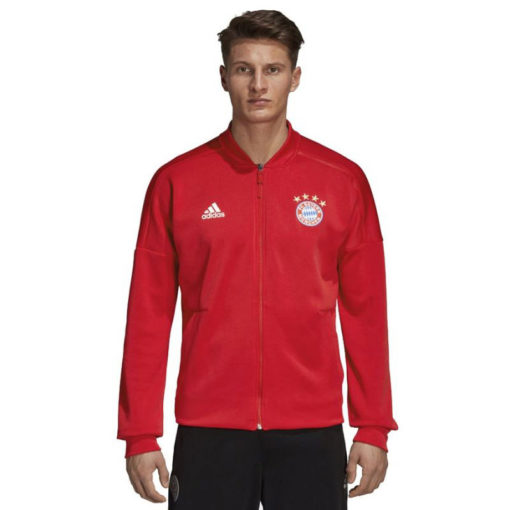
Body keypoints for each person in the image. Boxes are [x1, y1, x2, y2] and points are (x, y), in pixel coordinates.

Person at [117, 9, 398, 509]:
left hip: (313, 430)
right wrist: (140, 433)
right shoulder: (176, 182)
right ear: (223, 76)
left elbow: (366, 311)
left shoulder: (342, 181)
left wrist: (372, 424)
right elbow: (148, 314)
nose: (259, 85)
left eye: (273, 69)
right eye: (244, 69)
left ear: (295, 77)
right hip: (208, 428)